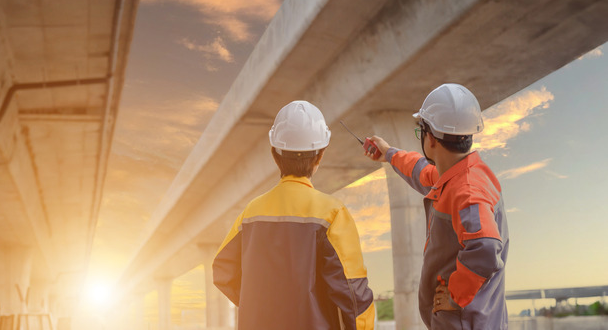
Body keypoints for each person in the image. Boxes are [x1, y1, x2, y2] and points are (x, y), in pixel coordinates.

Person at [213, 100, 375, 329]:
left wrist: (263, 306)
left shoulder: (250, 214)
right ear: (320, 156)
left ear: (274, 154)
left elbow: (223, 270)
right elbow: (353, 295)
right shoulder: (333, 214)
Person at [365, 83, 509, 329]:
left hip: (464, 323)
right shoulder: (459, 176)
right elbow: (421, 171)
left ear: (429, 137)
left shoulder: (468, 192)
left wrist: (456, 295)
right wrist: (388, 153)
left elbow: (485, 247)